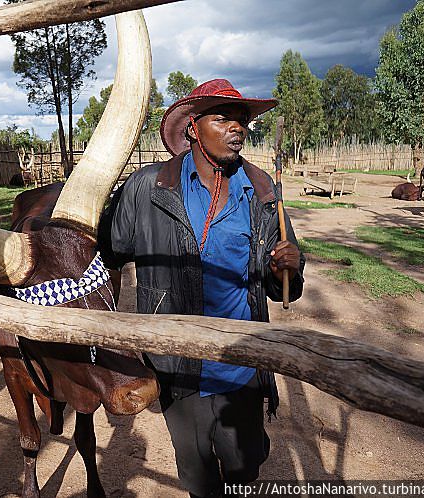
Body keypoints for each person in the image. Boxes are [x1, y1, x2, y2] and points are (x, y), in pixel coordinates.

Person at [98, 79, 305, 498]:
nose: (237, 128)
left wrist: (290, 268)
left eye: (242, 120)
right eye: (223, 118)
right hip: (178, 364)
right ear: (193, 128)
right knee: (196, 474)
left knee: (245, 468)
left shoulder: (261, 191)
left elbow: (282, 286)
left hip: (242, 362)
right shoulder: (147, 188)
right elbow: (107, 252)